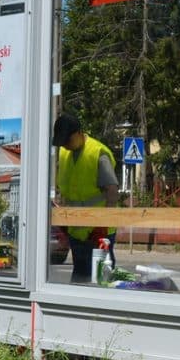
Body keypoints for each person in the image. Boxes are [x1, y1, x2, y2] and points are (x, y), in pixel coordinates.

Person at [52, 113, 120, 283]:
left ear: (78, 133)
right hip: (76, 231)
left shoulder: (97, 153)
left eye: (67, 140)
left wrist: (103, 225)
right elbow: (67, 191)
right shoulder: (64, 153)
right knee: (80, 278)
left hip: (98, 231)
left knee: (102, 280)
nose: (65, 145)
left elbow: (112, 192)